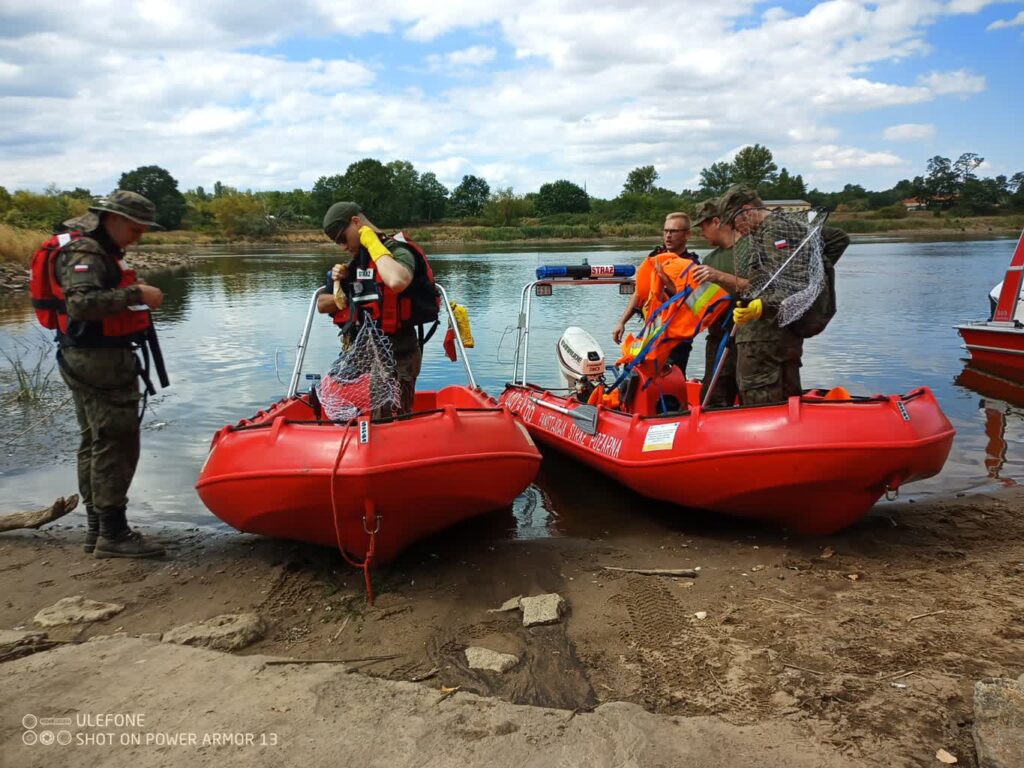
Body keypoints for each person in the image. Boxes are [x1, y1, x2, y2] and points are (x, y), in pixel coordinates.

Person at [52, 191, 167, 558]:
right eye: (135, 228)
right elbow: (81, 304)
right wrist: (136, 292)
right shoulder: (84, 252)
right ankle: (113, 535)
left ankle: (97, 530)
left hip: (94, 359)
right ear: (112, 219)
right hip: (97, 362)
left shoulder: (98, 250)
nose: (139, 236)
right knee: (116, 443)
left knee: (97, 441)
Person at [719, 186, 849, 405]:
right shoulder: (786, 226)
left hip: (768, 336)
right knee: (783, 393)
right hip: (779, 333)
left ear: (747, 210)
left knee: (761, 396)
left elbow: (793, 284)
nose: (737, 230)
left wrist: (761, 306)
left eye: (735, 223)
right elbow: (836, 239)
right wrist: (816, 271)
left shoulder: (775, 230)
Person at [317, 201, 431, 415]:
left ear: (356, 222)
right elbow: (322, 304)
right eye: (337, 242)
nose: (342, 246)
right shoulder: (356, 263)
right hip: (364, 355)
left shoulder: (398, 251)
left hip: (398, 353)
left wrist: (373, 245)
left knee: (391, 417)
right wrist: (343, 288)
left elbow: (397, 280)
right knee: (367, 416)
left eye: (343, 238)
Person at [690, 198, 749, 406]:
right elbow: (700, 306)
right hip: (718, 338)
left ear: (716, 222)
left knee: (749, 394)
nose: (701, 233)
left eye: (703, 226)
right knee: (713, 396)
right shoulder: (709, 260)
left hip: (749, 339)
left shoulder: (750, 249)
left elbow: (761, 287)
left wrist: (718, 276)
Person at [612, 212, 699, 346]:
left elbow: (691, 303)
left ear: (687, 235)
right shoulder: (655, 257)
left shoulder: (692, 265)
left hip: (677, 335)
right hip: (652, 328)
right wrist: (622, 322)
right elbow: (640, 292)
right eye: (666, 231)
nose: (668, 236)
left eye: (674, 231)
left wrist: (664, 278)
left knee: (673, 366)